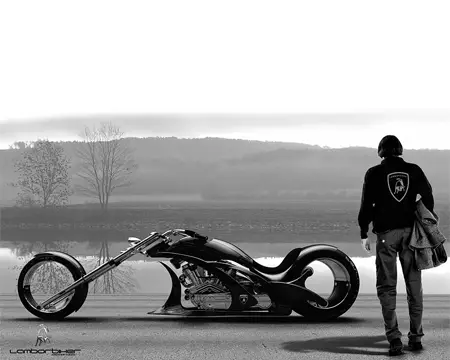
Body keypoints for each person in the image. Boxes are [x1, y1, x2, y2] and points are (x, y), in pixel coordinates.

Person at [357, 135, 434, 357]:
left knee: (387, 287)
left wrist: (364, 232)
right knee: (414, 286)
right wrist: (423, 218)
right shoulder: (414, 170)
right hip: (412, 235)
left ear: (380, 151)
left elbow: (366, 205)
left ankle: (394, 340)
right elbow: (428, 197)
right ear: (400, 150)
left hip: (385, 236)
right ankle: (416, 338)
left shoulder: (374, 173)